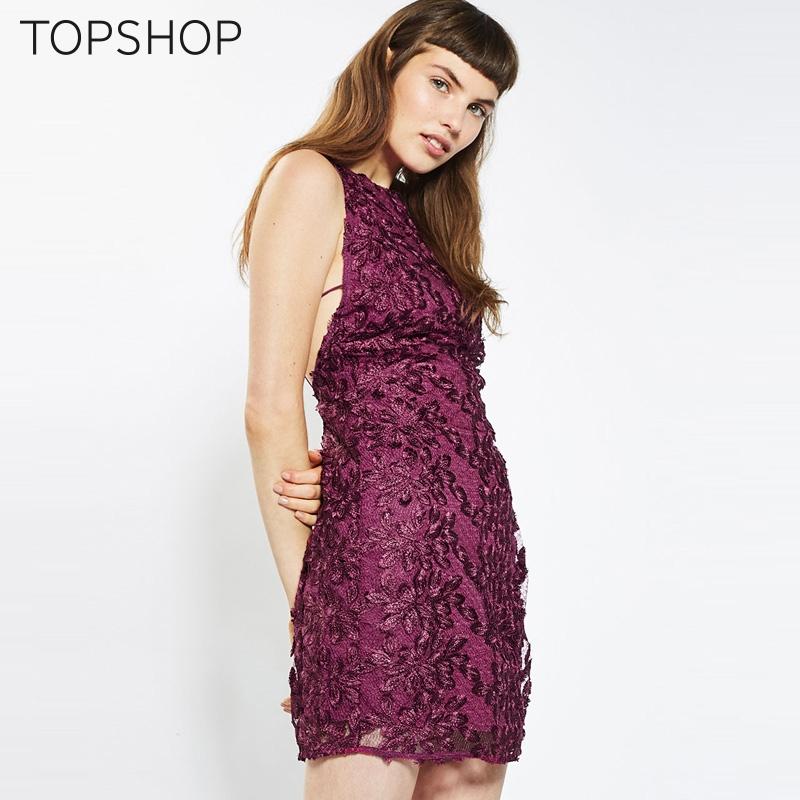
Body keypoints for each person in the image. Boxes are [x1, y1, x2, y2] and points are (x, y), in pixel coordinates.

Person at [238, 2, 531, 798]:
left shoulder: (424, 222)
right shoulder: (311, 179)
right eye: (442, 84)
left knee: (468, 777)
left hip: (476, 560)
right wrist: (312, 610)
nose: (456, 121)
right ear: (390, 61)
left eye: (479, 107)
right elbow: (269, 406)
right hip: (378, 568)